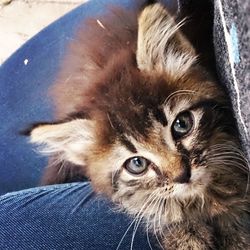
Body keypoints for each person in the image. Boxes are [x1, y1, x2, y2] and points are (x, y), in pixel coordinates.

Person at [0, 0, 249, 249]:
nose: (178, 172)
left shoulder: (176, 79)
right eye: (137, 163)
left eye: (181, 125)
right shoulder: (97, 143)